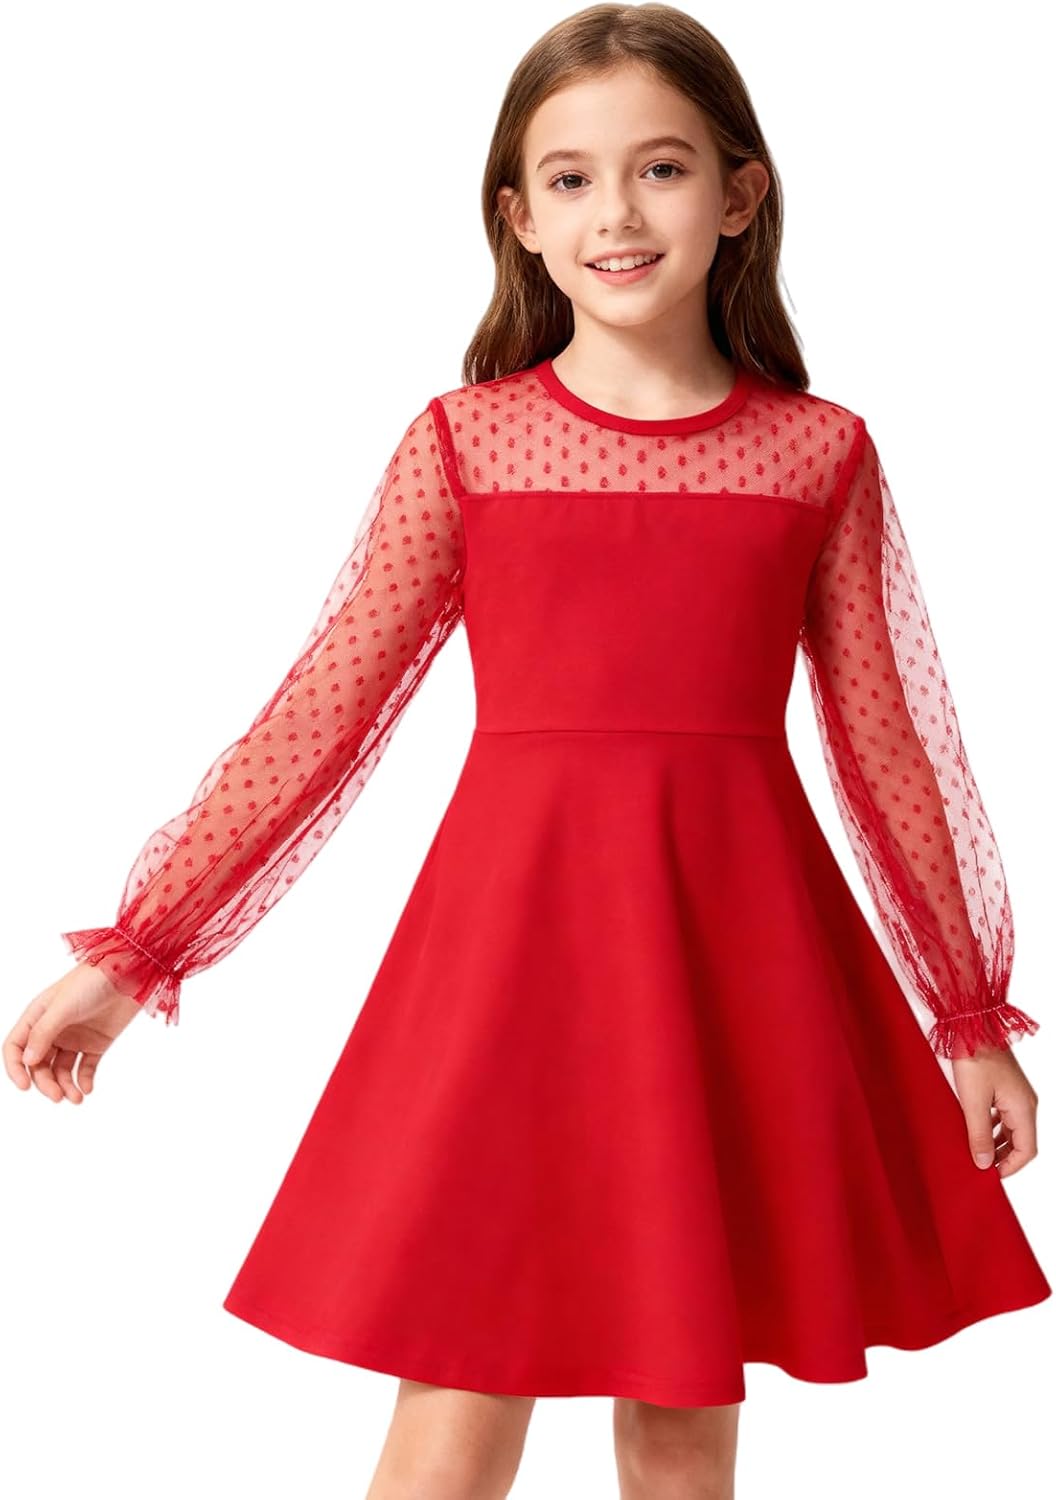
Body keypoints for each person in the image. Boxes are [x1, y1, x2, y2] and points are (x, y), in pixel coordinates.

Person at [5, 5, 1050, 1498]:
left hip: (729, 956)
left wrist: (968, 1015)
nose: (616, 213)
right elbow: (322, 716)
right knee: (458, 1397)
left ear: (741, 195)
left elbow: (890, 752)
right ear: (519, 217)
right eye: (571, 179)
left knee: (683, 1422)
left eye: (662, 168)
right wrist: (140, 953)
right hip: (510, 964)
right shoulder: (468, 444)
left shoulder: (817, 453)